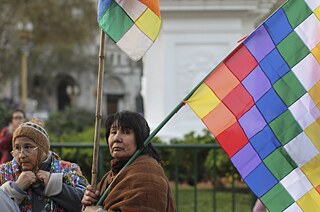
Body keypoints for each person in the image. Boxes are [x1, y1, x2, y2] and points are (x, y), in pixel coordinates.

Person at [82, 111, 176, 212]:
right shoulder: (115, 172)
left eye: (126, 132)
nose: (116, 139)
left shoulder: (147, 173)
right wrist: (89, 201)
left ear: (140, 138)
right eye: (113, 132)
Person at [0, 118, 88, 211]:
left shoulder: (68, 169)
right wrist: (15, 188)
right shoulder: (4, 172)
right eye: (17, 148)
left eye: (28, 147)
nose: (21, 155)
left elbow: (85, 203)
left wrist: (53, 183)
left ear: (43, 150)